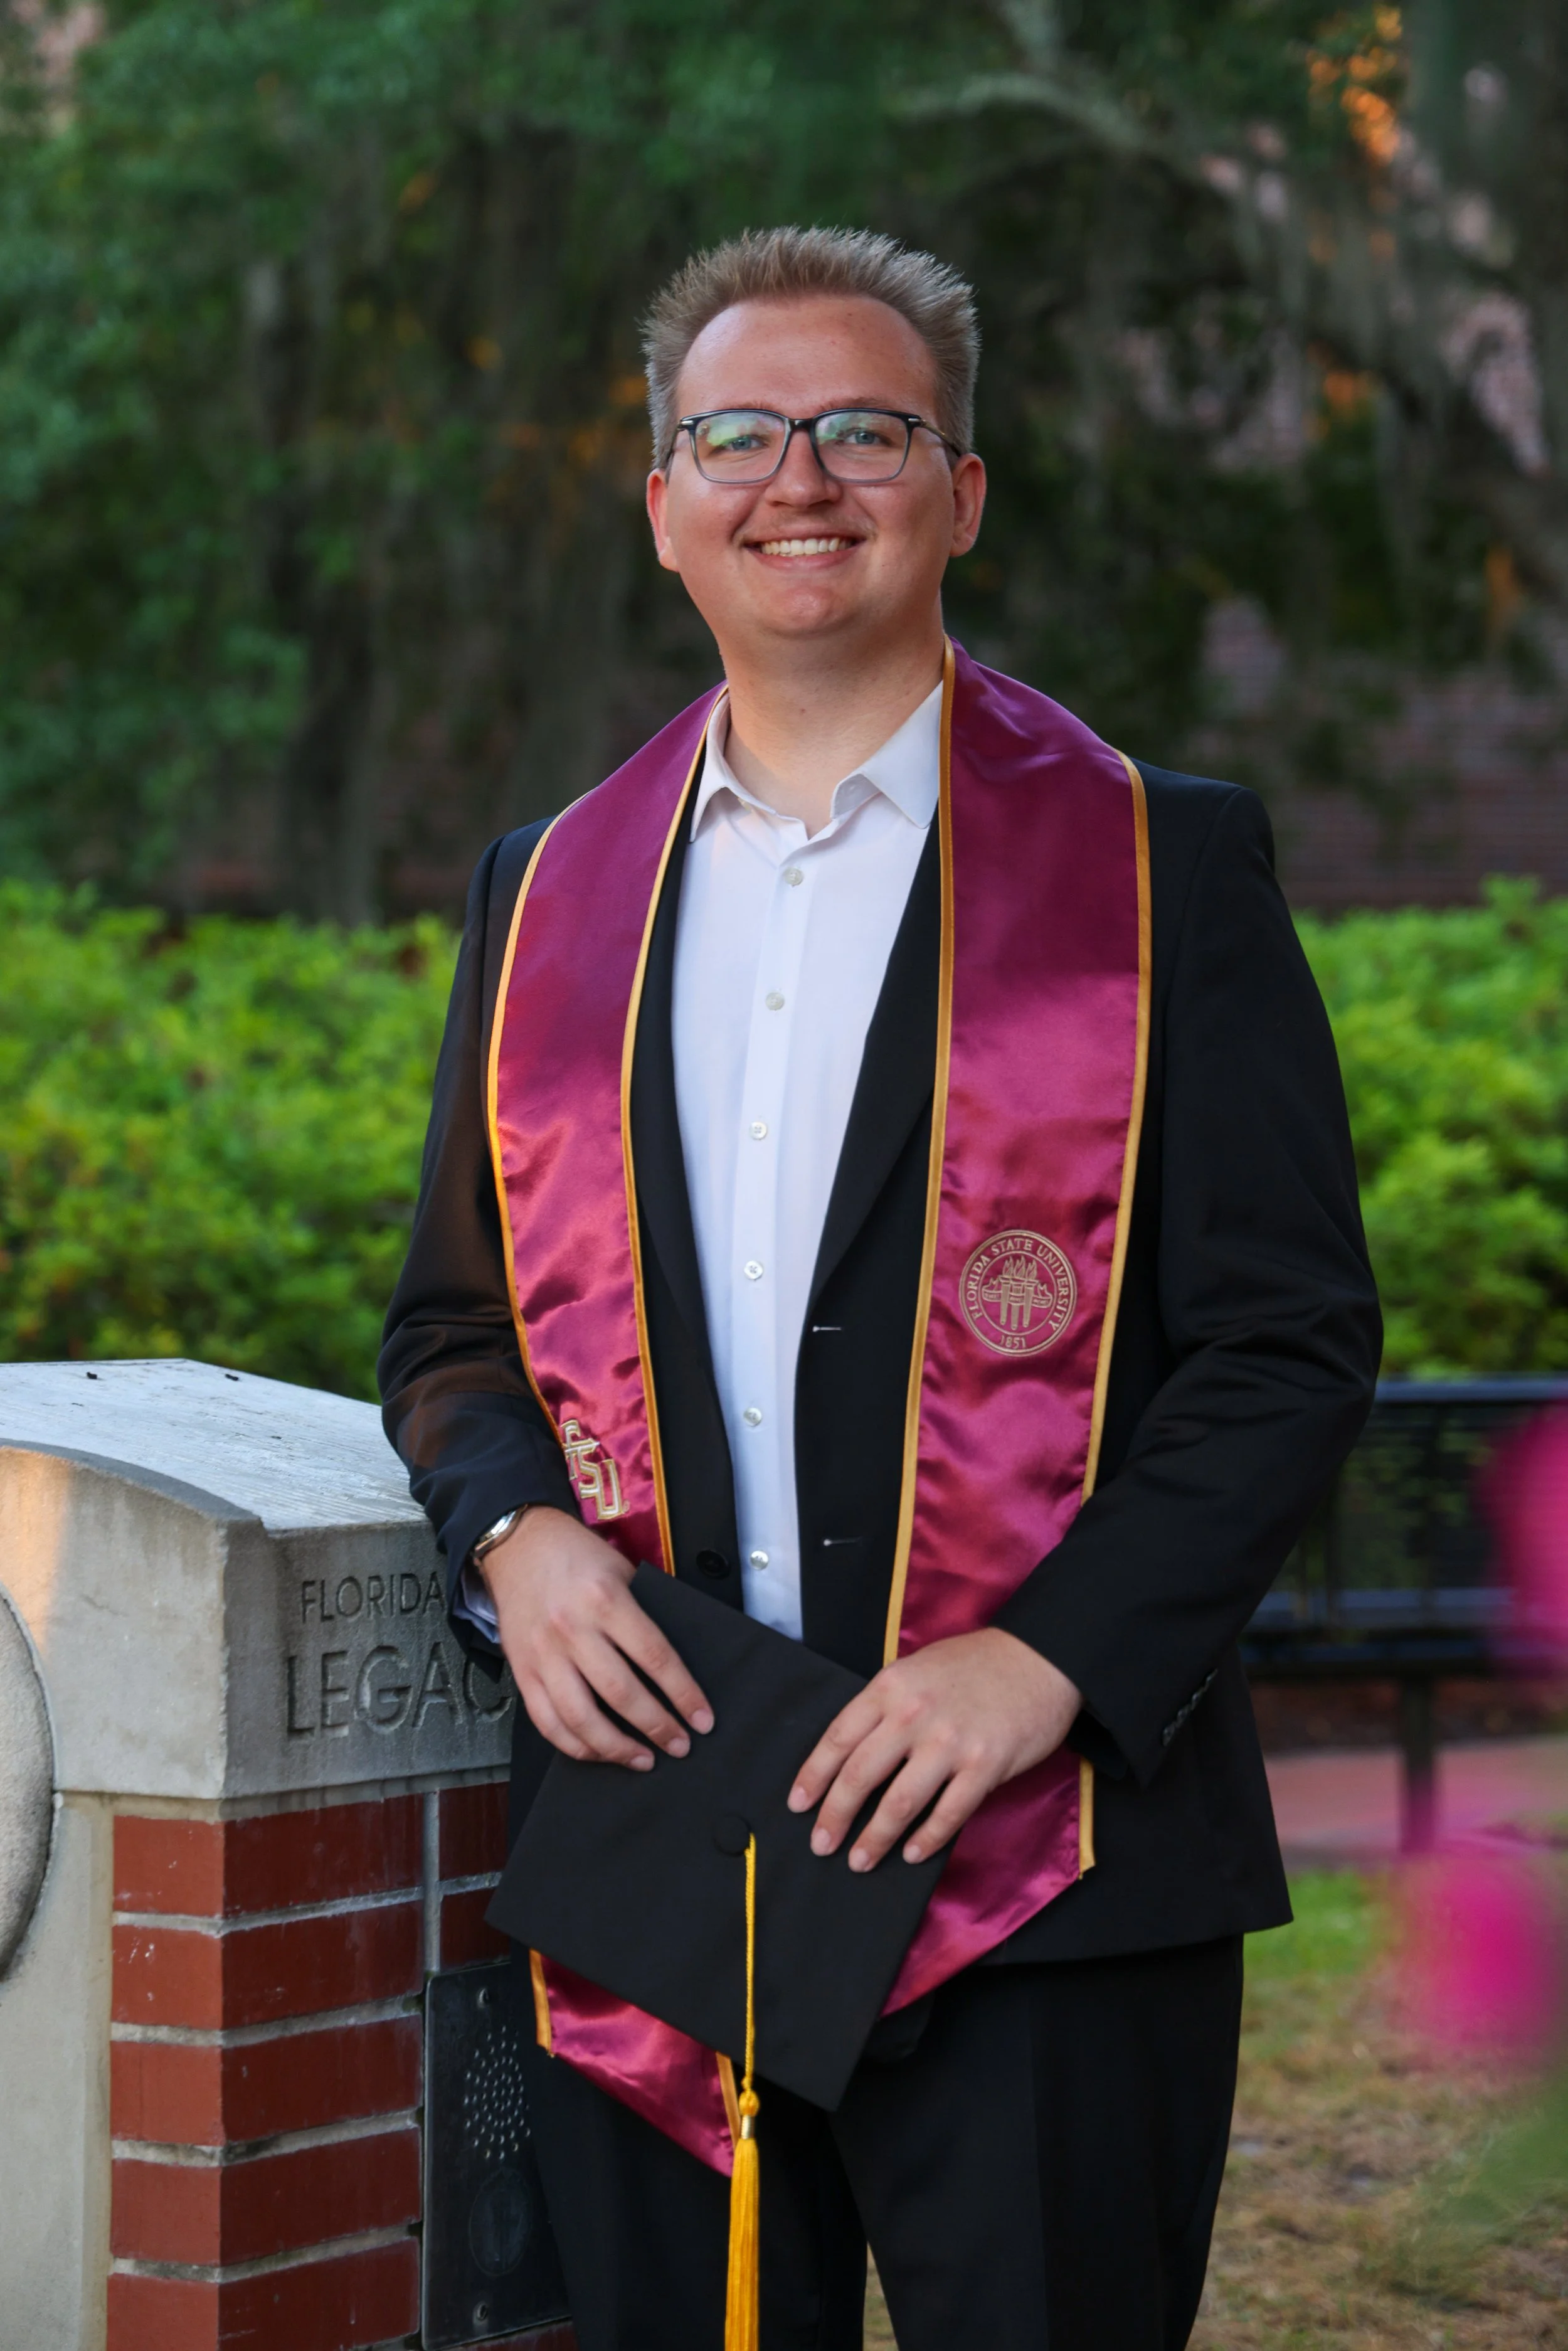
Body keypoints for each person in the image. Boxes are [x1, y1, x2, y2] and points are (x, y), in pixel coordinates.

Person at [380, 225, 1381, 2351]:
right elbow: (453, 1333)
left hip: (1043, 1860)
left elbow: (1287, 1342)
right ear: (661, 503)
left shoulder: (1156, 866)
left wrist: (1044, 1666)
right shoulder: (549, 890)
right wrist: (517, 1540)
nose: (797, 478)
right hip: (662, 1829)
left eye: (863, 427)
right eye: (733, 433)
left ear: (961, 491)